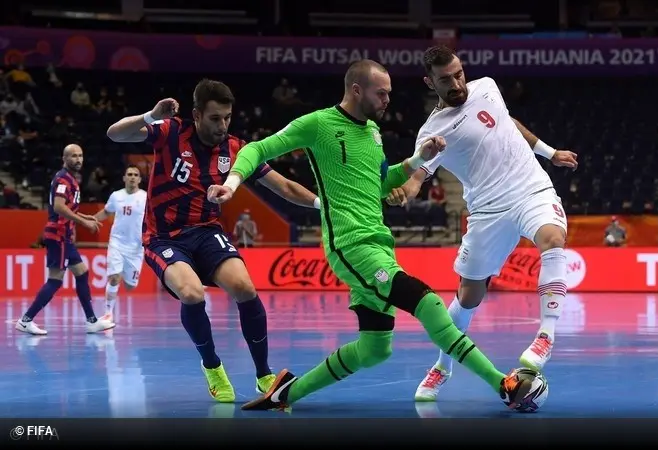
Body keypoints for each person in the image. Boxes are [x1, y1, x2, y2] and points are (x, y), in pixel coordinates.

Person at [207, 59, 534, 412]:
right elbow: (256, 149)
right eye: (382, 93)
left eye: (389, 94)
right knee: (429, 304)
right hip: (351, 245)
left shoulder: (374, 134)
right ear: (356, 90)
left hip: (379, 243)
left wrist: (415, 161)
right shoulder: (319, 124)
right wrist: (232, 181)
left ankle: (286, 393)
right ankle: (503, 384)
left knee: (376, 348)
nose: (388, 100)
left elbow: (380, 183)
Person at [105, 79, 320, 403]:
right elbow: (114, 133)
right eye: (215, 118)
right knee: (192, 294)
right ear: (197, 114)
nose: (222, 125)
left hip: (207, 231)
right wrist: (151, 115)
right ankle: (212, 366)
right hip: (163, 237)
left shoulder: (236, 149)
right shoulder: (171, 132)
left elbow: (285, 187)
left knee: (245, 288)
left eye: (227, 118)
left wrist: (323, 205)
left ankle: (264, 374)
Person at [385, 45, 578, 402]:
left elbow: (510, 122)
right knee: (469, 295)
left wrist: (551, 154)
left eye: (458, 74)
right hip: (487, 210)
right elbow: (420, 173)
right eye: (446, 80)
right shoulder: (433, 130)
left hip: (530, 188)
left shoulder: (487, 85)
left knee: (553, 239)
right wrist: (406, 190)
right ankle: (443, 365)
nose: (457, 83)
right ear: (430, 83)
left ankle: (546, 335)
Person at [15, 144, 116, 335]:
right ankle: (25, 320)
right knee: (55, 280)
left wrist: (85, 217)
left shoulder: (71, 179)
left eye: (80, 155)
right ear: (64, 158)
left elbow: (67, 209)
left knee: (82, 272)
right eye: (73, 156)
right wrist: (83, 223)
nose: (78, 159)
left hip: (66, 237)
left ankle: (92, 321)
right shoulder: (63, 179)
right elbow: (60, 207)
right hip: (58, 235)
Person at [93, 165, 147, 322]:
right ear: (124, 178)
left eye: (135, 174)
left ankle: (124, 273)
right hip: (117, 242)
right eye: (129, 174)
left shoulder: (145, 197)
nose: (132, 177)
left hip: (136, 247)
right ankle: (108, 313)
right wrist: (90, 220)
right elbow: (106, 212)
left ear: (139, 179)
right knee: (114, 277)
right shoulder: (116, 196)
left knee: (130, 286)